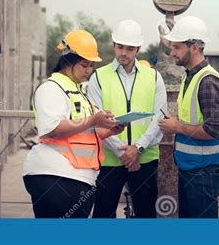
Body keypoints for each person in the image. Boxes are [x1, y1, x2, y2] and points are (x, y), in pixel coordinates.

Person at [22, 29, 124, 218]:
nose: (88, 71)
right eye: (84, 65)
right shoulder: (51, 88)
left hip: (77, 179)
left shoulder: (79, 92)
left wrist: (110, 130)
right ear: (67, 60)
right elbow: (53, 130)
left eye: (91, 65)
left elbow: (84, 135)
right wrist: (93, 119)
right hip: (55, 177)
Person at [158, 16, 219, 218]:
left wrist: (177, 127)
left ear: (193, 47)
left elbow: (214, 130)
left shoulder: (208, 80)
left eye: (176, 47)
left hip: (205, 170)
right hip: (192, 166)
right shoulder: (189, 75)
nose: (172, 52)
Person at [88, 20, 167, 218]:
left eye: (130, 48)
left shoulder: (154, 77)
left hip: (145, 158)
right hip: (108, 160)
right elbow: (95, 119)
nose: (124, 52)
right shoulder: (98, 77)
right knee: (103, 216)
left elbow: (160, 117)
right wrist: (124, 153)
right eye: (120, 47)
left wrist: (138, 149)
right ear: (114, 45)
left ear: (138, 48)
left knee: (146, 216)